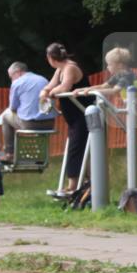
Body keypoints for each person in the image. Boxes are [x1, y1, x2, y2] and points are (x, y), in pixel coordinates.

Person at [73, 47, 137, 193]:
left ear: (119, 64)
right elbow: (104, 86)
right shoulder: (118, 75)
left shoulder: (126, 75)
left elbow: (113, 91)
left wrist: (91, 91)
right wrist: (84, 89)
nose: (108, 67)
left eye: (110, 64)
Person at [40, 43, 94, 194]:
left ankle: (72, 186)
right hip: (73, 118)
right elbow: (51, 85)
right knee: (80, 149)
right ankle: (89, 183)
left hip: (82, 115)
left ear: (50, 58)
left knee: (75, 150)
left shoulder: (70, 67)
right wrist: (44, 91)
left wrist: (50, 94)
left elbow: (64, 87)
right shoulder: (60, 69)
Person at [0, 62, 55, 163]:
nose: (11, 80)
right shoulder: (43, 79)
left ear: (18, 72)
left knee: (5, 117)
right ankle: (39, 155)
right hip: (49, 123)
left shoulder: (17, 83)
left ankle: (9, 153)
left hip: (30, 124)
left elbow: (13, 108)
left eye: (11, 77)